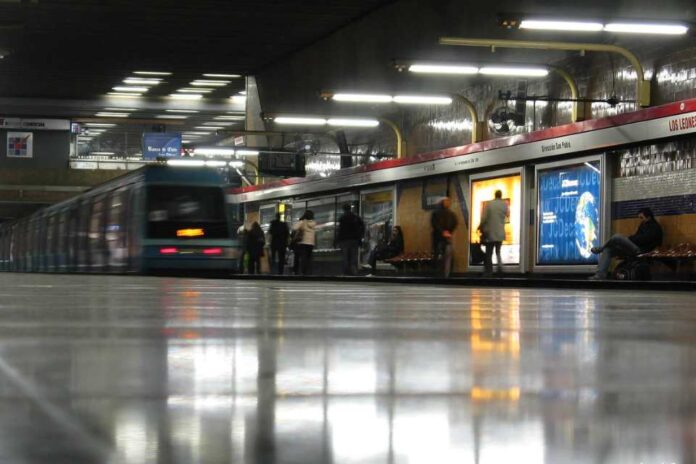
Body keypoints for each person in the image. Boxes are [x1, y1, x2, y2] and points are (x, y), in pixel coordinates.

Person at [589, 207, 662, 280]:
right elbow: (636, 236)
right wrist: (627, 240)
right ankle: (600, 275)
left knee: (617, 237)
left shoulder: (655, 227)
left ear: (648, 217)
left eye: (641, 217)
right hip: (634, 248)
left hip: (641, 250)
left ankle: (601, 248)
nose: (641, 220)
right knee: (608, 250)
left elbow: (643, 239)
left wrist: (628, 240)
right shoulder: (643, 225)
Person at [478, 189, 509, 276]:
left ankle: (489, 271)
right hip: (500, 233)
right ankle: (500, 268)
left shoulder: (489, 204)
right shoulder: (504, 204)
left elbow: (484, 218)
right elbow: (507, 215)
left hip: (490, 233)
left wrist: (480, 226)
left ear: (495, 195)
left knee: (489, 252)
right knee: (498, 251)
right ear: (501, 195)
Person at [431, 197, 458, 278]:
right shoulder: (451, 213)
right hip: (447, 237)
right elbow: (455, 223)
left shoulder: (435, 213)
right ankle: (446, 274)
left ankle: (439, 273)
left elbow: (434, 224)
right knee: (447, 255)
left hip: (438, 237)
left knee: (438, 255)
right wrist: (449, 232)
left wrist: (442, 232)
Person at [335, 203, 365, 275]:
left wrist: (336, 241)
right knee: (353, 257)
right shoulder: (356, 217)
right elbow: (363, 226)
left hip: (344, 241)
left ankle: (346, 273)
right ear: (350, 208)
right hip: (354, 240)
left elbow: (339, 231)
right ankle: (354, 272)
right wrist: (360, 236)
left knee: (345, 258)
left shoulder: (342, 218)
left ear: (343, 209)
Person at [292, 210, 316, 275]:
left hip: (303, 242)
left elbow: (294, 228)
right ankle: (309, 272)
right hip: (311, 243)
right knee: (309, 258)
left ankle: (303, 272)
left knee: (303, 258)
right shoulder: (314, 223)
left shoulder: (302, 222)